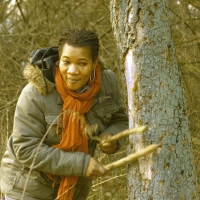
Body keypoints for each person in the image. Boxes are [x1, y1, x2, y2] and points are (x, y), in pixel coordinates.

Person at [1, 28, 128, 200]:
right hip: (27, 189)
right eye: (66, 62)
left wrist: (113, 137)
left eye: (82, 63)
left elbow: (120, 119)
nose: (72, 71)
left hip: (75, 190)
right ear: (58, 61)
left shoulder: (107, 83)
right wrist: (80, 164)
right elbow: (26, 149)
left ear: (94, 62)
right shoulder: (35, 93)